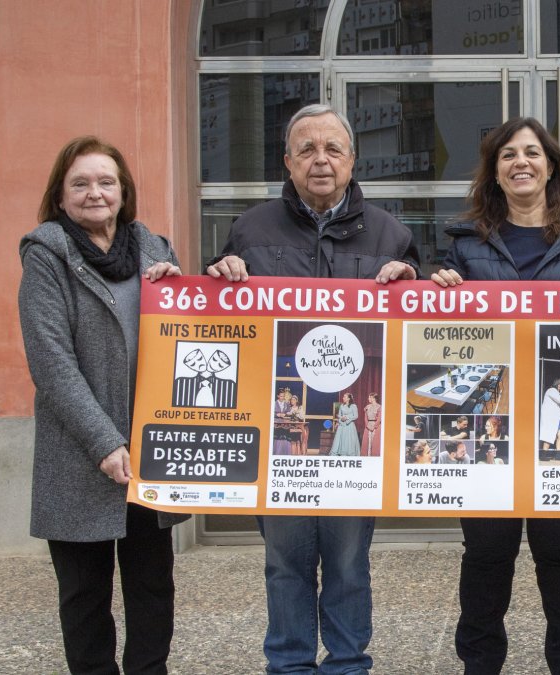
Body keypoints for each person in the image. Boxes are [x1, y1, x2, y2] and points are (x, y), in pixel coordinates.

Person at [206, 103, 419, 674]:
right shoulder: (250, 229)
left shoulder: (391, 234)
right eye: (307, 150)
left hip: (355, 453)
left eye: (332, 149)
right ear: (287, 162)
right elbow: (220, 322)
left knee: (350, 563)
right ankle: (290, 665)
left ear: (352, 160)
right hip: (279, 440)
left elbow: (417, 336)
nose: (319, 160)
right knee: (284, 563)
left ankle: (349, 665)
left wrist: (412, 283)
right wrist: (217, 274)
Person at [431, 116, 560, 674]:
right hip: (492, 422)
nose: (521, 163)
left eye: (533, 153)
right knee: (486, 556)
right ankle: (479, 665)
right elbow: (435, 338)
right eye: (508, 154)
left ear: (553, 166)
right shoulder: (463, 244)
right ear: (494, 170)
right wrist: (437, 287)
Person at [19, 136, 188, 674]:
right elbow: (51, 362)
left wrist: (183, 290)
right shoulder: (47, 256)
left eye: (106, 181)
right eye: (81, 183)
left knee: (152, 589)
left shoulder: (155, 249)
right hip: (79, 455)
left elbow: (191, 335)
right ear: (61, 196)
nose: (96, 193)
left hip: (152, 449)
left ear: (123, 191)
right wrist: (104, 441)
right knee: (84, 597)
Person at [330, 392, 361, 457]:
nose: (343, 398)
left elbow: (356, 416)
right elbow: (339, 415)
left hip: (349, 425)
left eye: (345, 397)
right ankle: (341, 452)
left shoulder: (353, 406)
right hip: (342, 425)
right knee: (341, 439)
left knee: (348, 439)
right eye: (343, 397)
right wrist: (339, 420)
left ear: (348, 398)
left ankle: (349, 453)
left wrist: (347, 417)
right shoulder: (342, 406)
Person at [361, 392, 381, 457]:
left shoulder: (379, 407)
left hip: (376, 427)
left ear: (374, 398)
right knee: (367, 442)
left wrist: (374, 426)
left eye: (370, 397)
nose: (368, 398)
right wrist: (367, 425)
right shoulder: (367, 407)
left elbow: (380, 418)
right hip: (368, 426)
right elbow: (365, 417)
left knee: (375, 443)